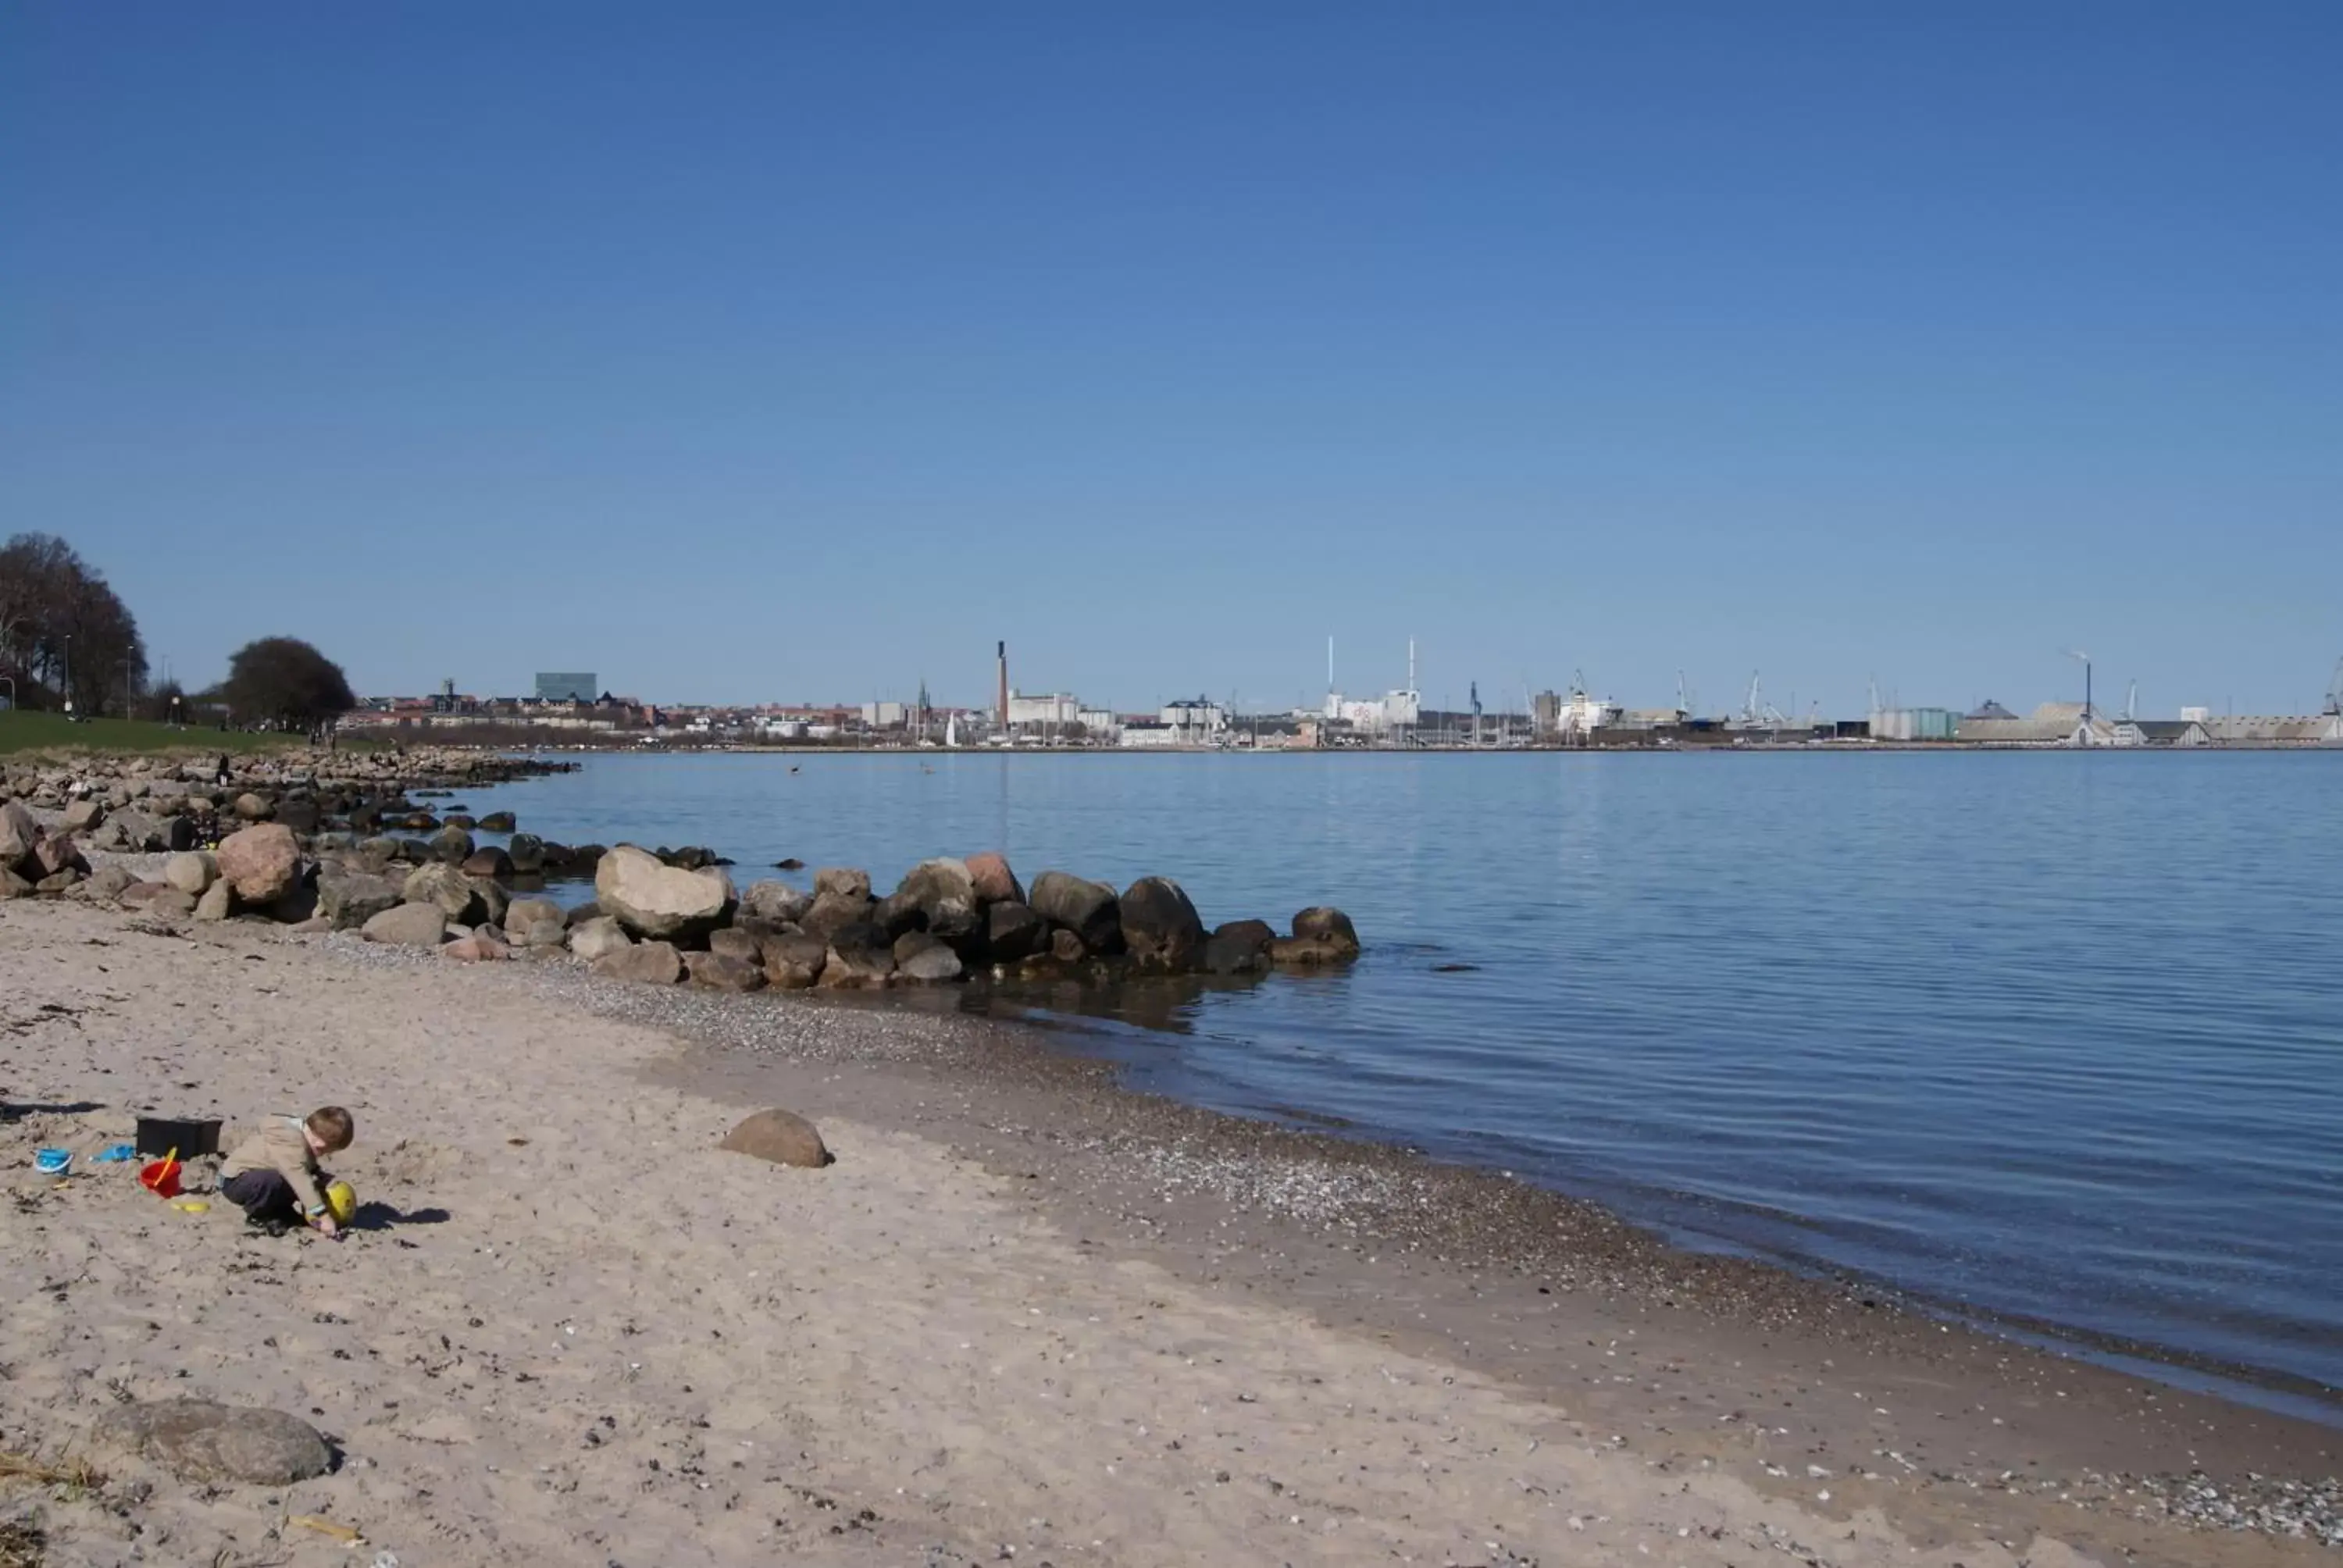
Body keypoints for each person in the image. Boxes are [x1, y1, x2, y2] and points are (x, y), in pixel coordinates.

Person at [218, 1106, 355, 1238]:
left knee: (297, 1180)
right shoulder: (290, 1142)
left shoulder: (303, 1139)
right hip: (235, 1181)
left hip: (260, 1176)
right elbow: (300, 1179)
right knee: (281, 1181)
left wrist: (325, 1179)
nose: (323, 1154)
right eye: (325, 1150)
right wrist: (323, 1216)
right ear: (319, 1143)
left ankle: (281, 1211)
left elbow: (308, 1167)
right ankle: (258, 1215)